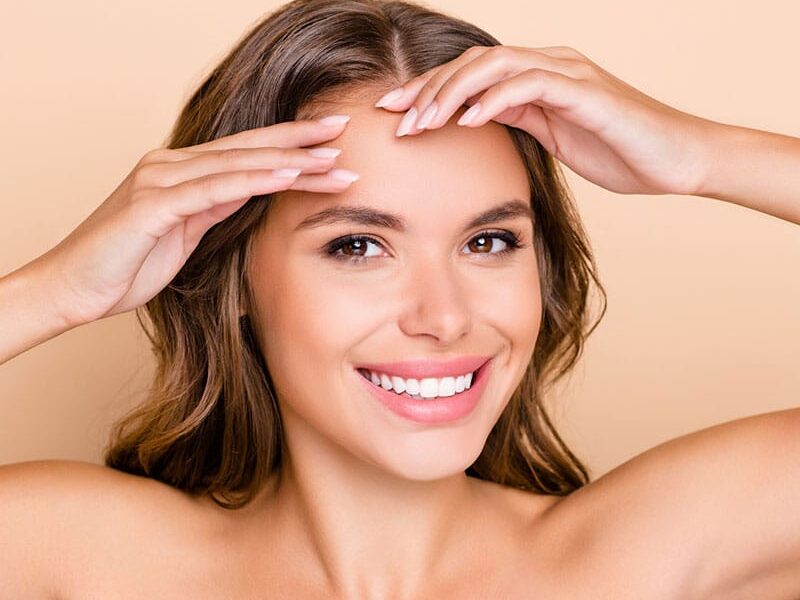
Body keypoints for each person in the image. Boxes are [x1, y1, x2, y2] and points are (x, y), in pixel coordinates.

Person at [1, 0, 798, 597]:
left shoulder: (639, 557)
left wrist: (700, 156)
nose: (443, 317)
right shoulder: (86, 557)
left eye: (489, 241)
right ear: (233, 276)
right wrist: (58, 291)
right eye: (357, 246)